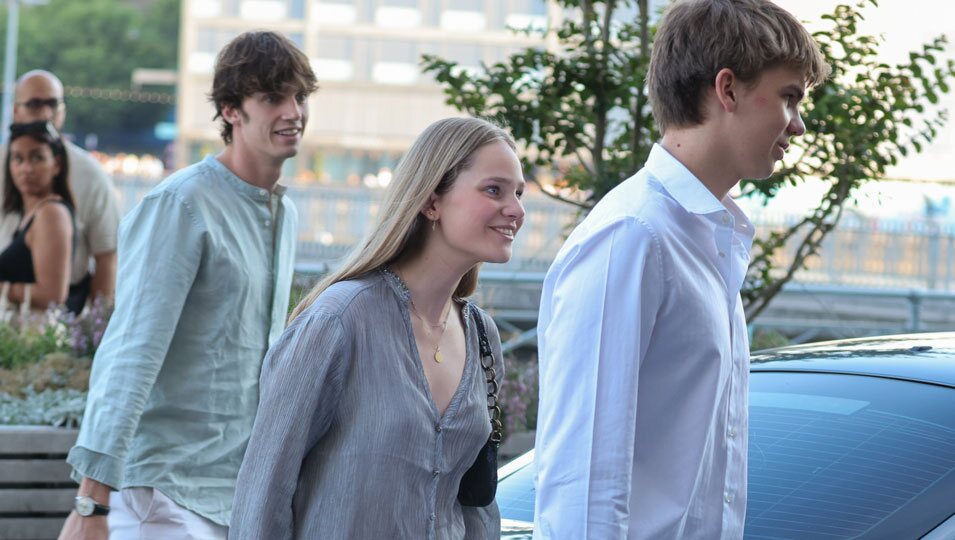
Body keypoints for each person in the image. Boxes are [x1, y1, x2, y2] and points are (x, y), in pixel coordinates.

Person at [533, 0, 830, 538]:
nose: (799, 125)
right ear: (728, 88)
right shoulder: (633, 236)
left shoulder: (704, 238)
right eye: (789, 98)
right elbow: (583, 479)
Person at [59, 30, 317, 540]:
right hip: (163, 497)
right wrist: (91, 505)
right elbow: (131, 350)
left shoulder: (281, 213)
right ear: (230, 111)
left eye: (300, 96)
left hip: (237, 500)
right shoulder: (181, 205)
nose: (294, 112)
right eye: (272, 97)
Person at [230, 117, 525, 539]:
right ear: (431, 202)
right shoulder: (339, 321)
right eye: (493, 190)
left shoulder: (481, 335)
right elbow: (262, 495)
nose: (516, 209)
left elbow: (476, 504)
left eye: (518, 193)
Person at [0, 70, 120, 307]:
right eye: (34, 104)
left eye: (52, 104)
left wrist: (91, 332)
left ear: (56, 165)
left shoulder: (89, 174)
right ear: (16, 111)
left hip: (48, 324)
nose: (45, 113)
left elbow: (106, 257)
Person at [0, 121, 77, 312]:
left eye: (37, 158)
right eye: (18, 159)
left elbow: (53, 294)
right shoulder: (32, 212)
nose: (26, 168)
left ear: (56, 164)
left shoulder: (51, 214)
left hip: (31, 337)